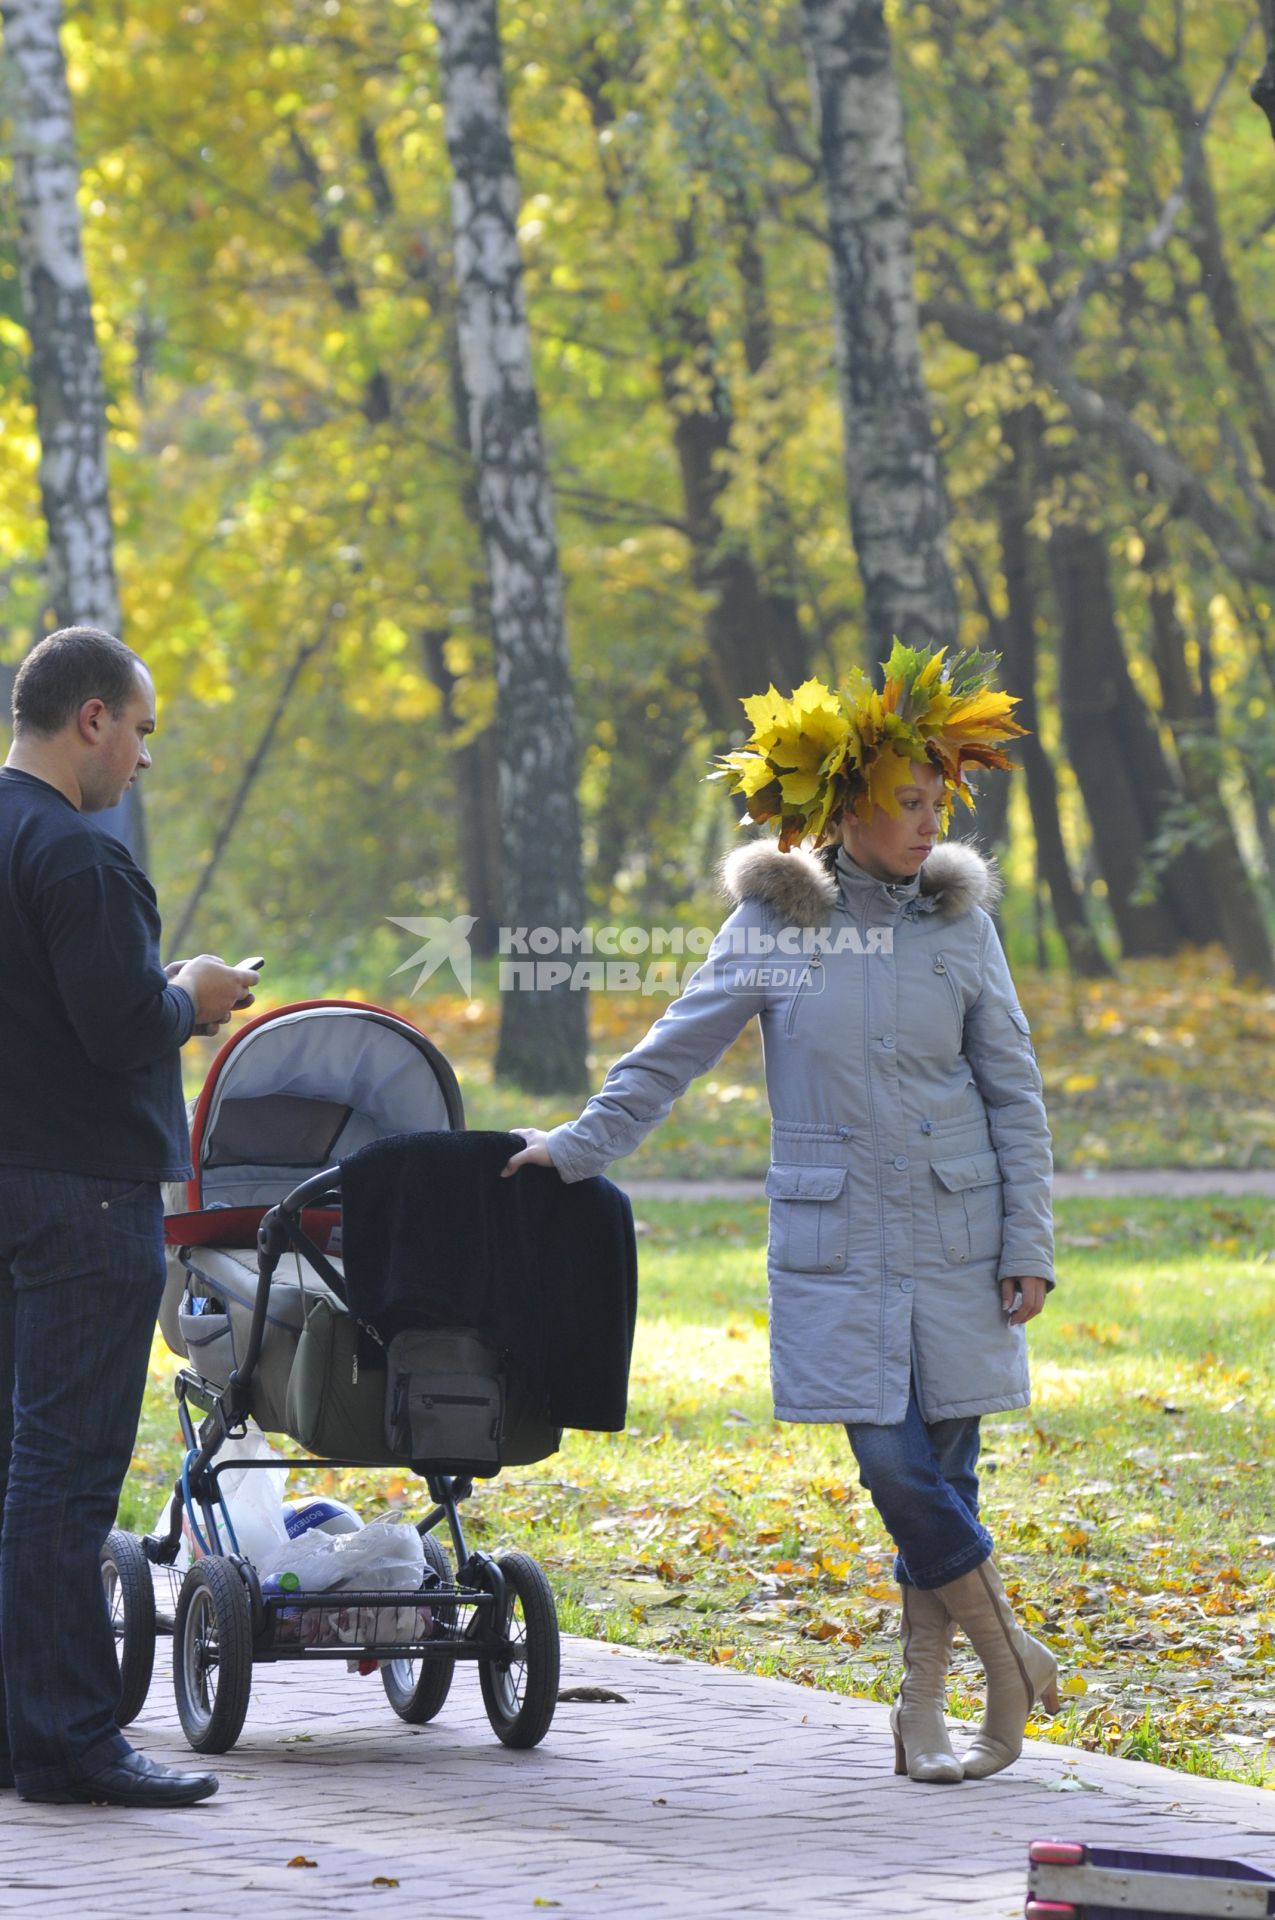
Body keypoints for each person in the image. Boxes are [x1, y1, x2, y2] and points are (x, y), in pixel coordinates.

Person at [506, 644, 1058, 1785]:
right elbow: (671, 1054)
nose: (925, 824)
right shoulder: (776, 926)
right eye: (903, 804)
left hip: (961, 1238)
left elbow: (1013, 1090)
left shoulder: (962, 926)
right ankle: (1010, 1656)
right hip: (840, 1242)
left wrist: (1029, 1245)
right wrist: (574, 1147)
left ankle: (921, 1709)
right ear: (844, 806)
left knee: (944, 1480)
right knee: (896, 1469)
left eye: (934, 802)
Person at [0, 627, 259, 1808]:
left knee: (14, 1468)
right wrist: (193, 998)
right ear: (91, 718)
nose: (145, 759)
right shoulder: (81, 856)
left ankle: (20, 1730)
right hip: (82, 1193)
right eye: (143, 730)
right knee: (62, 1475)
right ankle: (65, 1740)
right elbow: (119, 1027)